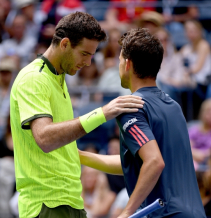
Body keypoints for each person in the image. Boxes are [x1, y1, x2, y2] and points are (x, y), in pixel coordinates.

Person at [9, 12, 143, 218]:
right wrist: (103, 113)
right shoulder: (33, 79)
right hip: (47, 205)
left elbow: (63, 147)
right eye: (84, 54)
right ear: (64, 44)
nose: (88, 63)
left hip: (70, 201)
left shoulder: (59, 78)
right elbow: (45, 138)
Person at [79, 28, 206, 218]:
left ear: (128, 64)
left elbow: (154, 162)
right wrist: (80, 156)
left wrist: (126, 212)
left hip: (167, 215)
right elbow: (137, 163)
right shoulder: (173, 106)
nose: (118, 64)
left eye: (120, 60)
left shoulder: (132, 108)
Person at [180, 20, 211, 107]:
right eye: (188, 30)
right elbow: (178, 61)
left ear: (200, 31)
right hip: (189, 78)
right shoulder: (186, 47)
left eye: (193, 30)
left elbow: (198, 67)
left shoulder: (204, 45)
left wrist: (186, 73)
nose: (190, 33)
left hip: (203, 81)